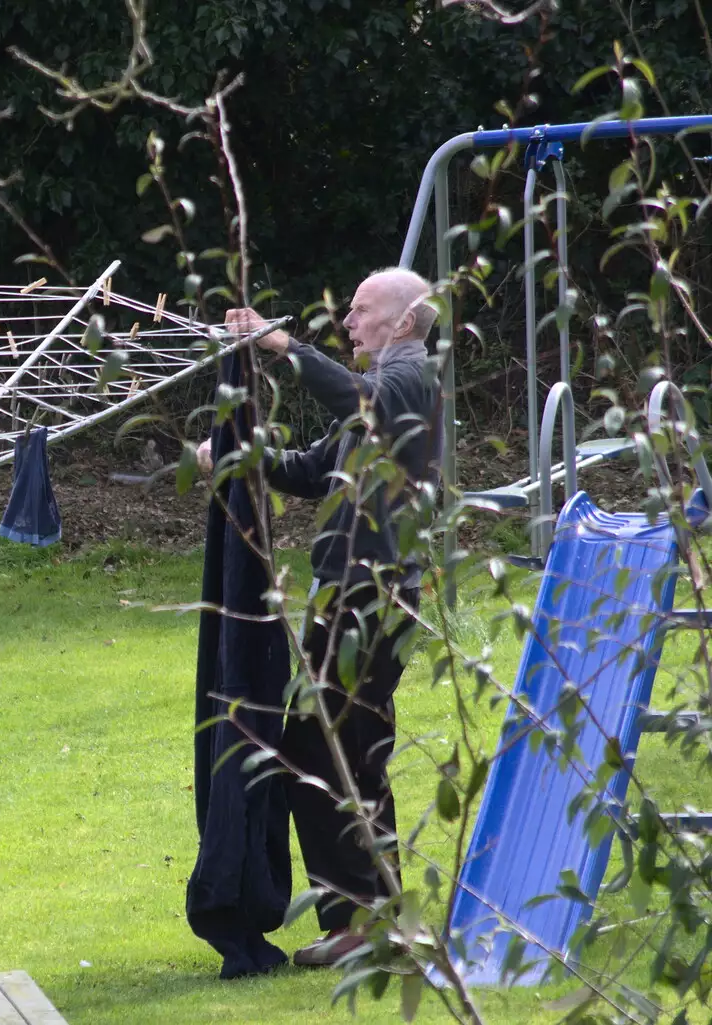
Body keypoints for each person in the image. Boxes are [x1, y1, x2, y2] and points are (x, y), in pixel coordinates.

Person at [197, 267, 439, 967]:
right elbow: (309, 470)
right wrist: (241, 457)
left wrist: (282, 344)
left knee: (328, 747)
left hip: (372, 597)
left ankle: (367, 919)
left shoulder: (409, 379)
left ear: (399, 321)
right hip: (347, 596)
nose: (350, 323)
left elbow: (358, 395)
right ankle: (370, 916)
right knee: (331, 747)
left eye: (361, 311)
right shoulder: (382, 394)